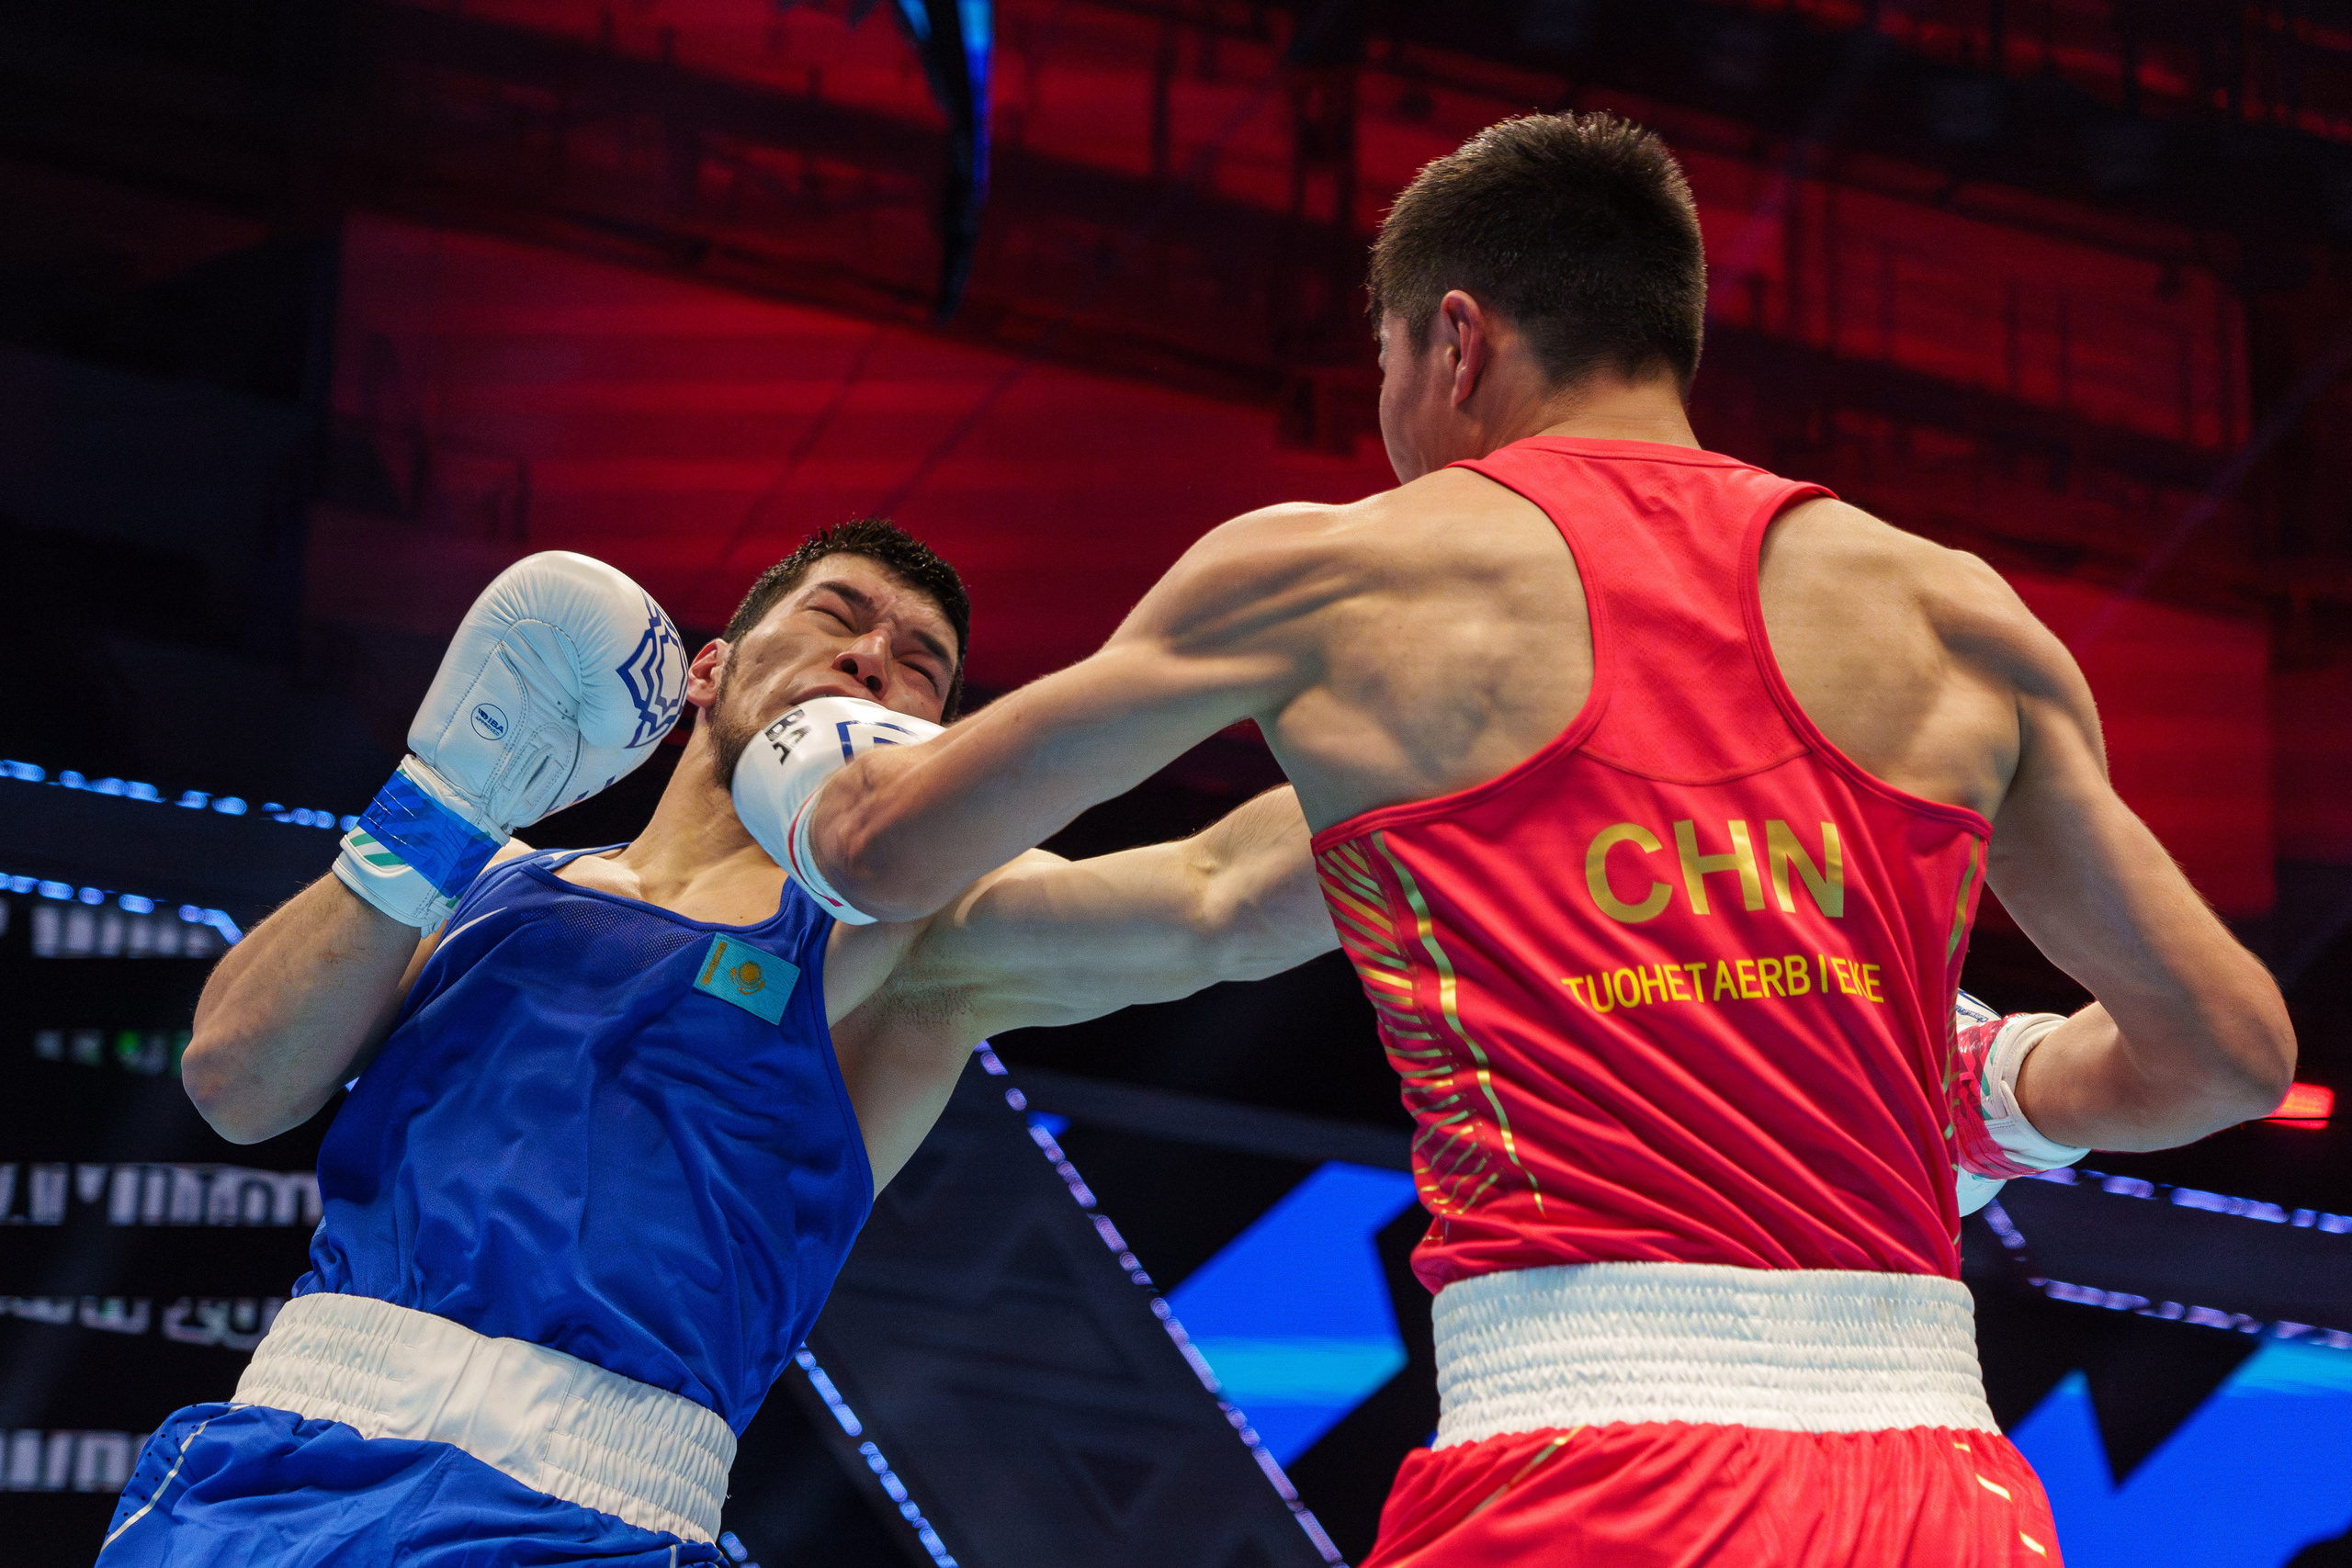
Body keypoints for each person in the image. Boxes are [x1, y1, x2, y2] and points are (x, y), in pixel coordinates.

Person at [783, 115, 2298, 1564]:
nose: (1387, 432)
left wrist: (803, 752)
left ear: (1456, 340)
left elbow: (883, 856)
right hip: (1942, 1479)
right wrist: (1997, 1093)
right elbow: (2227, 1055)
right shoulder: (1959, 616)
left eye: (1382, 369)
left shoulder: (1337, 578)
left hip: (1589, 1467)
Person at [101, 521, 1337, 1566]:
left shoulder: (905, 950)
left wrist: (1472, 750)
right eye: (838, 617)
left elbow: (1219, 897)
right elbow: (236, 1081)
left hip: (585, 1521)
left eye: (922, 669)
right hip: (270, 1476)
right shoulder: (486, 882)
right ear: (710, 668)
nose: (872, 661)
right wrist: (441, 802)